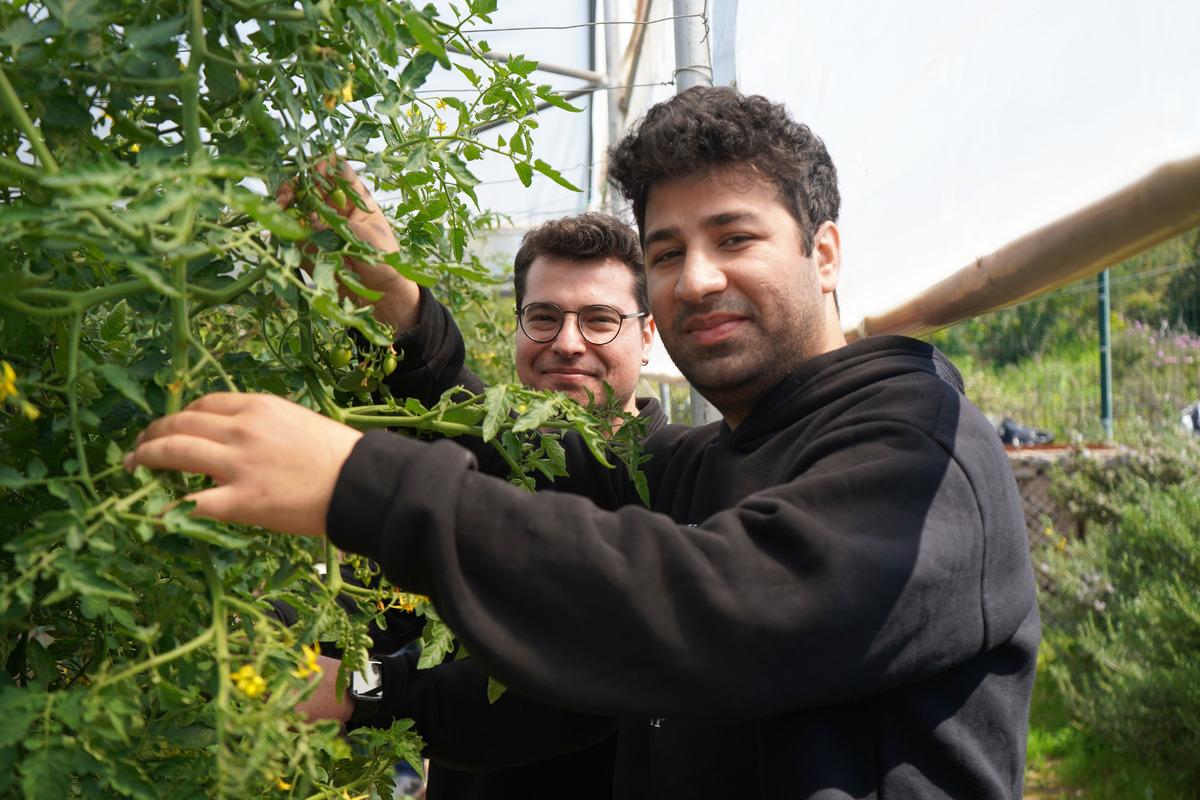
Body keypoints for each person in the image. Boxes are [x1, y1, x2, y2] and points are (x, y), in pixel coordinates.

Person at [128, 86, 1039, 799]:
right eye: (670, 250)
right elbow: (540, 468)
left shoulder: (919, 450)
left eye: (735, 237)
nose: (699, 277)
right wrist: (400, 309)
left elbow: (718, 607)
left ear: (826, 253)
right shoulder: (716, 455)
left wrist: (360, 480)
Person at [281, 167, 667, 798]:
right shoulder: (482, 459)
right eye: (543, 317)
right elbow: (393, 612)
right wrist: (269, 627)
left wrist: (410, 316)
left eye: (601, 320)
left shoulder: (671, 480)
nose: (568, 343)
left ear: (647, 334)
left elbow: (576, 486)